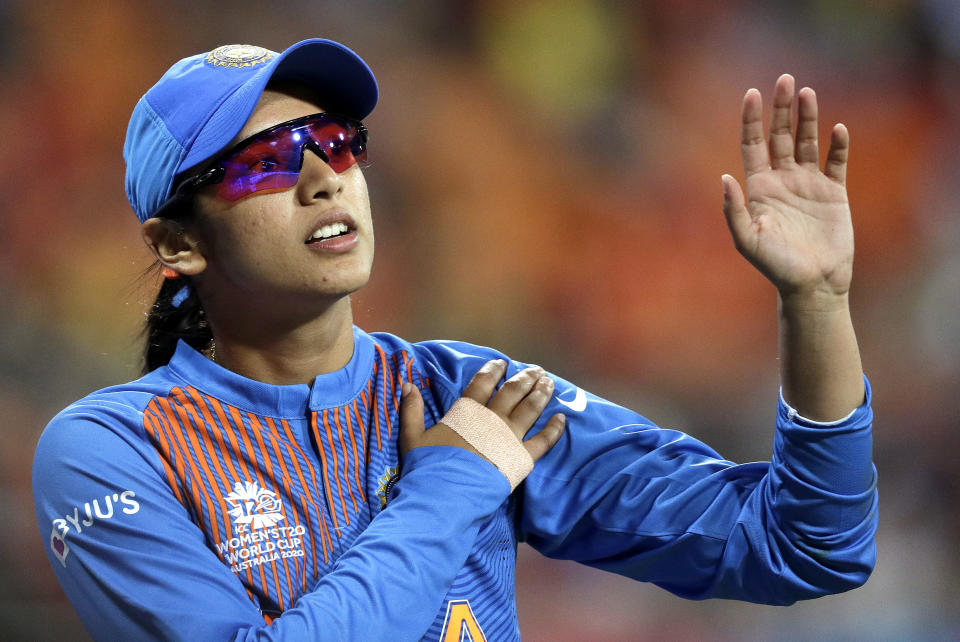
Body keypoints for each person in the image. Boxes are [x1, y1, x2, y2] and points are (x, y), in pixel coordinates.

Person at [32, 38, 877, 641]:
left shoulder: (473, 394)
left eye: (335, 143)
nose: (326, 177)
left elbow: (802, 547)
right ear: (177, 244)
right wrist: (452, 485)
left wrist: (817, 302)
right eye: (266, 163)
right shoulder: (107, 452)